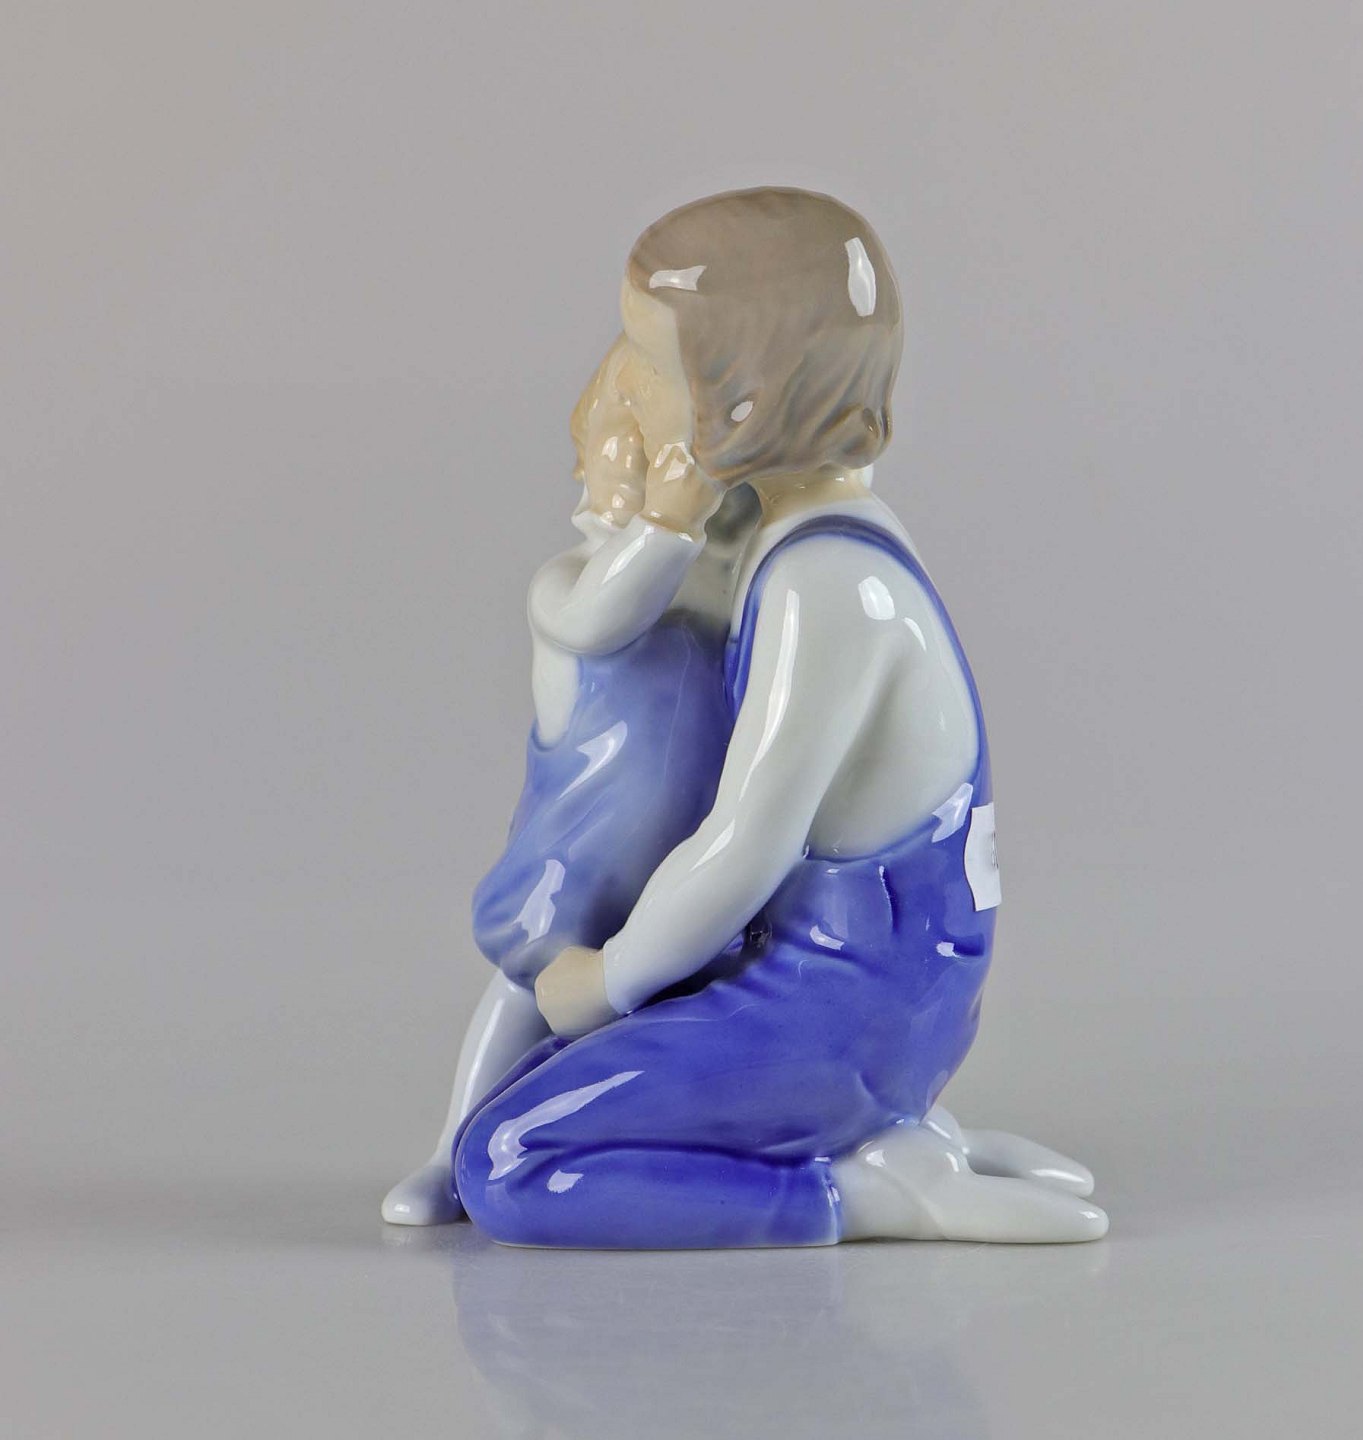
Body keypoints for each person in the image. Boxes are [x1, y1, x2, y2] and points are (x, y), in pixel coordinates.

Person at [451, 189, 1106, 1247]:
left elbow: (744, 847)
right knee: (560, 1078)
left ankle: (863, 1191)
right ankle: (890, 1134)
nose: (618, 385)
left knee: (511, 1158)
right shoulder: (813, 537)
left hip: (846, 1008)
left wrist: (606, 982)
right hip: (851, 987)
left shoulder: (824, 585)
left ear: (742, 408)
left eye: (646, 362)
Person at [382, 343, 752, 1223]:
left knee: (674, 1005)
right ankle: (451, 1153)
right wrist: (667, 526)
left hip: (681, 871)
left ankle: (632, 1147)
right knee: (527, 994)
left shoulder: (720, 605)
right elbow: (603, 618)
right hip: (579, 861)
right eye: (646, 461)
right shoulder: (565, 590)